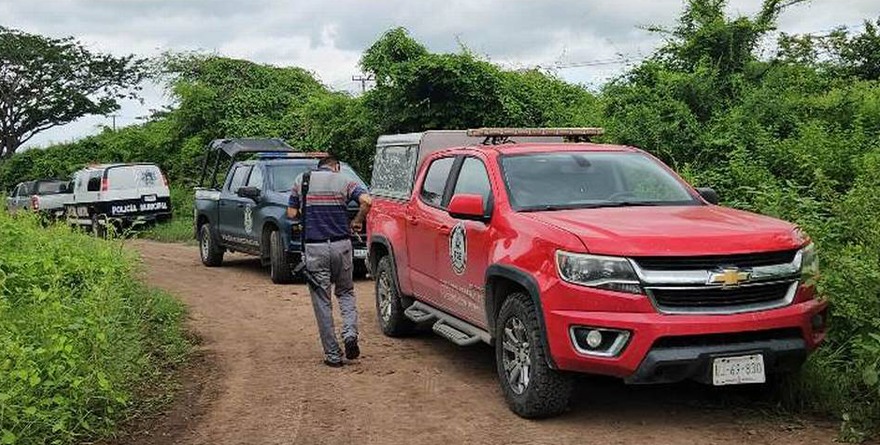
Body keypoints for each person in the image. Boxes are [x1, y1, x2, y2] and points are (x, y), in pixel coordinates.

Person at [287, 155, 371, 367]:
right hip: (341, 246)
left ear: (318, 167)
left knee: (322, 301)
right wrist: (357, 220)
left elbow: (291, 213)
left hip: (315, 248)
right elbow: (367, 201)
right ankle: (350, 334)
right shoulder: (344, 181)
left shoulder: (301, 181)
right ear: (336, 167)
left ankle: (333, 355)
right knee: (346, 292)